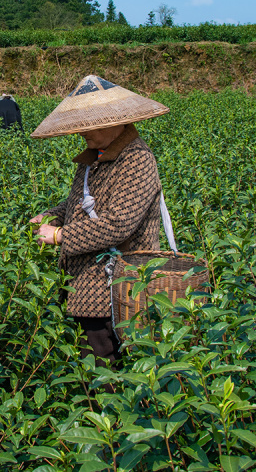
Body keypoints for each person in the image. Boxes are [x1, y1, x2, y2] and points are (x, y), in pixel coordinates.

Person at [29, 75, 169, 365]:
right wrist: (53, 216)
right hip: (86, 289)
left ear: (116, 121)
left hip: (115, 291)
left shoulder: (136, 159)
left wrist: (60, 237)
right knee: (90, 368)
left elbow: (118, 222)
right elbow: (78, 203)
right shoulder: (94, 157)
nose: (82, 132)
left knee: (106, 374)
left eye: (89, 124)